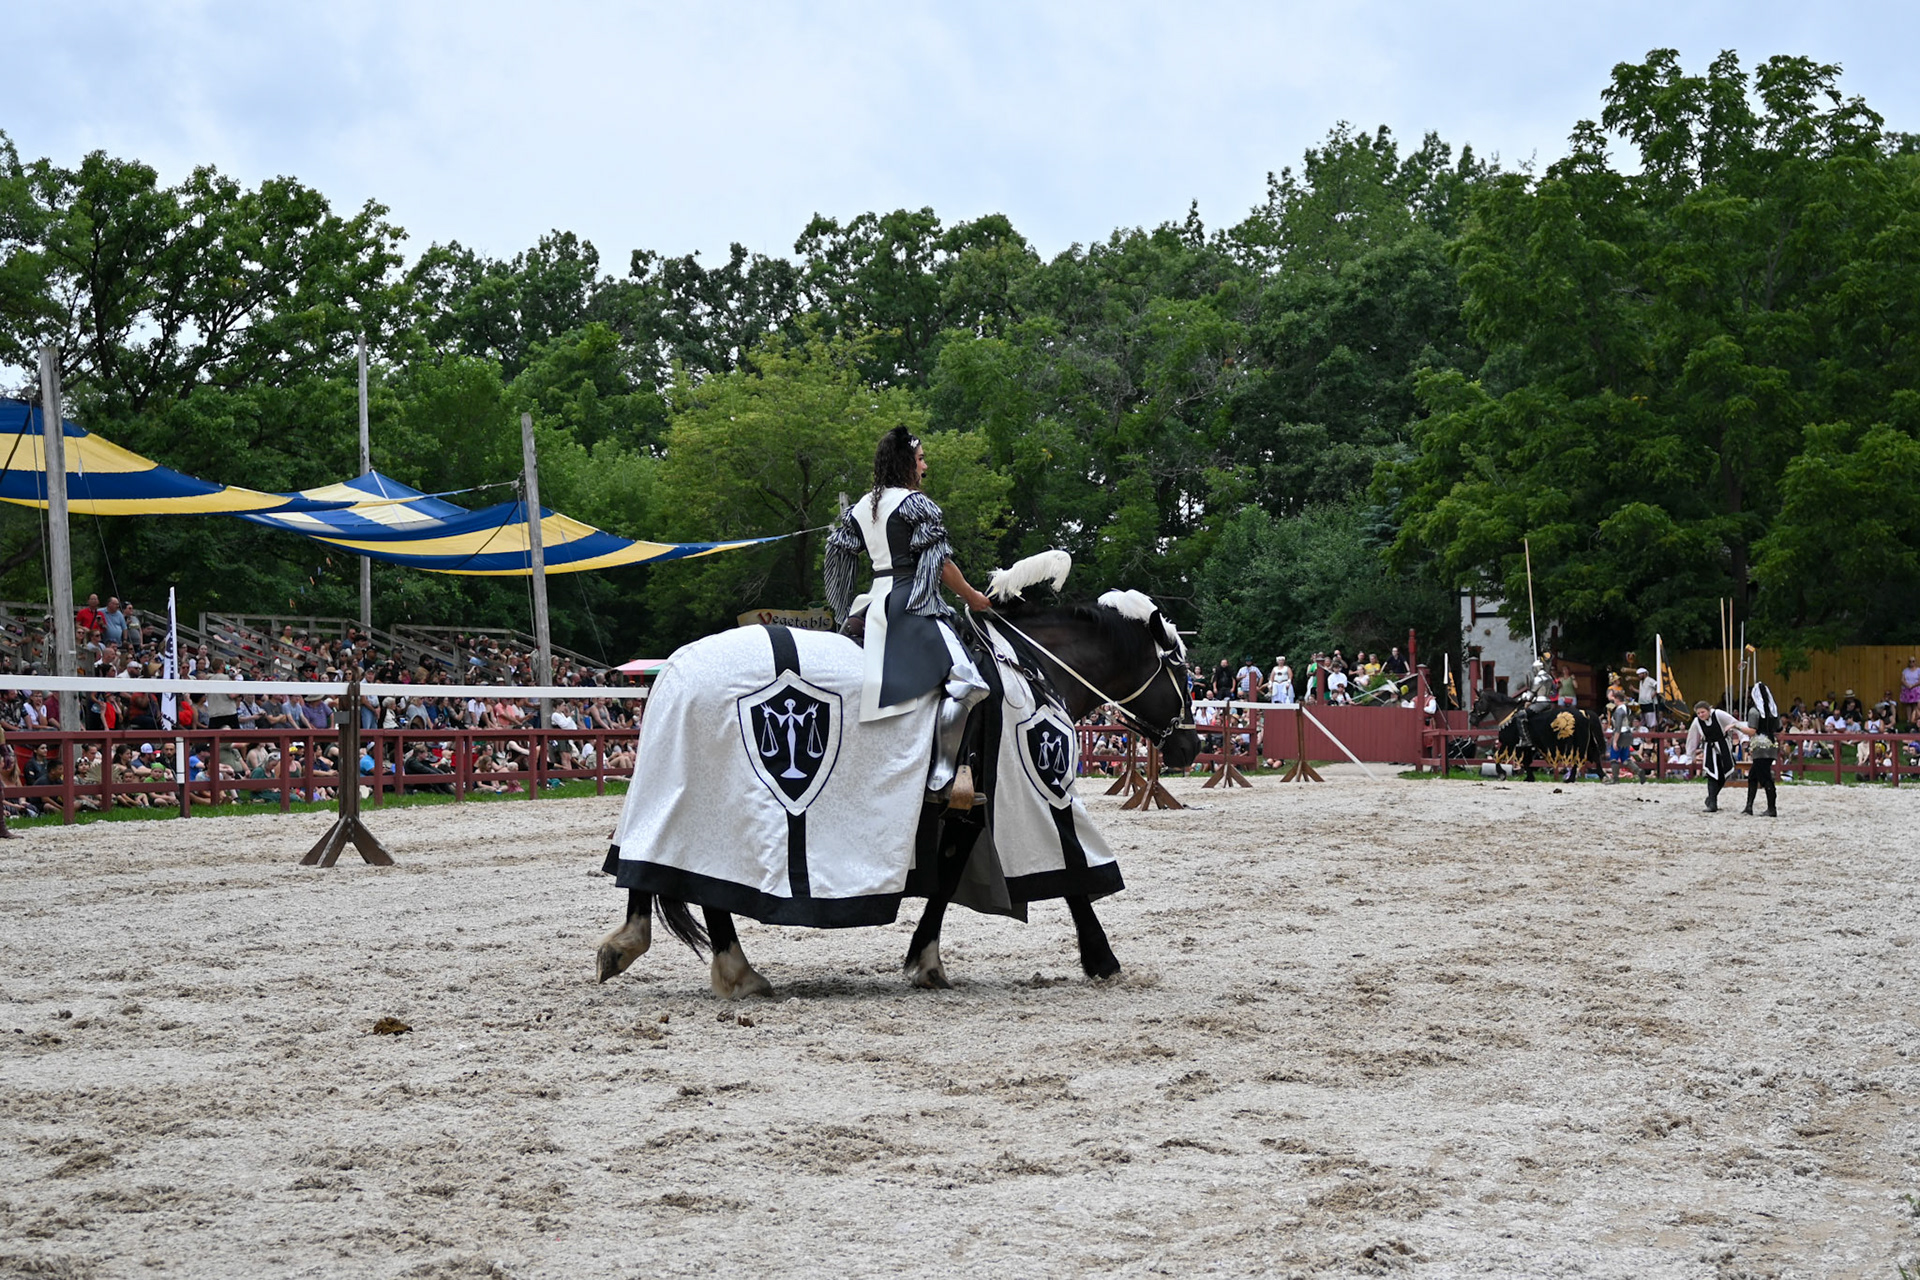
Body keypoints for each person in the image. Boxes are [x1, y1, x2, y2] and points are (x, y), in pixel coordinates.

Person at [824, 426, 992, 801]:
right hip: (910, 600)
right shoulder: (914, 503)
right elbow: (940, 563)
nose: (925, 466)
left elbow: (839, 560)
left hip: (869, 602)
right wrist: (972, 596)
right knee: (968, 682)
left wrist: (841, 604)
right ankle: (942, 778)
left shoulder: (859, 508)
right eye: (920, 459)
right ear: (906, 463)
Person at [1684, 701, 1751, 813]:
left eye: (1703, 712)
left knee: (1724, 774)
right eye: (1698, 713)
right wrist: (1690, 756)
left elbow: (1735, 723)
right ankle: (1712, 804)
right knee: (1711, 774)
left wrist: (1743, 739)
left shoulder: (1719, 714)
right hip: (1710, 748)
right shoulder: (1697, 722)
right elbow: (1692, 738)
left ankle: (1711, 798)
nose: (1701, 715)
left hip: (1724, 746)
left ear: (1709, 710)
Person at [1605, 688, 1644, 784]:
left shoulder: (1619, 711)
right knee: (1625, 759)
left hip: (1621, 735)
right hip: (1628, 733)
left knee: (1614, 758)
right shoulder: (1627, 709)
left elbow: (1618, 727)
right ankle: (1639, 771)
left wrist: (1615, 741)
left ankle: (1615, 779)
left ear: (1617, 699)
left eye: (1614, 699)